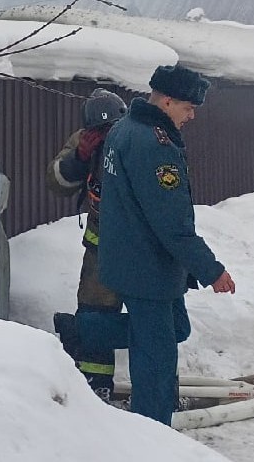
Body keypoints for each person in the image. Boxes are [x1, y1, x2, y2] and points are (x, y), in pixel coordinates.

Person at [95, 64, 236, 425]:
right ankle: (153, 431)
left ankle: (80, 329)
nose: (191, 116)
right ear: (168, 101)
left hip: (128, 258)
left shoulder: (122, 129)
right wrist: (212, 270)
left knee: (175, 329)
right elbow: (172, 224)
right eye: (189, 108)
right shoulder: (153, 145)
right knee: (156, 364)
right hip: (147, 269)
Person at [47, 88, 128, 401]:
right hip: (100, 251)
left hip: (141, 252)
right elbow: (55, 182)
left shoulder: (138, 137)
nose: (105, 136)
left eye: (109, 129)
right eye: (99, 130)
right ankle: (96, 386)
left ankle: (160, 387)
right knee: (94, 315)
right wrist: (79, 158)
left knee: (152, 319)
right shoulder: (82, 141)